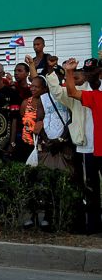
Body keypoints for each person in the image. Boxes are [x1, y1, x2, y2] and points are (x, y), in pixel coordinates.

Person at [60, 58, 101, 233]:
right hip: (92, 148)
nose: (88, 74)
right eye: (86, 71)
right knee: (91, 189)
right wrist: (69, 71)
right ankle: (93, 226)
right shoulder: (94, 95)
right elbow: (71, 92)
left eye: (92, 71)